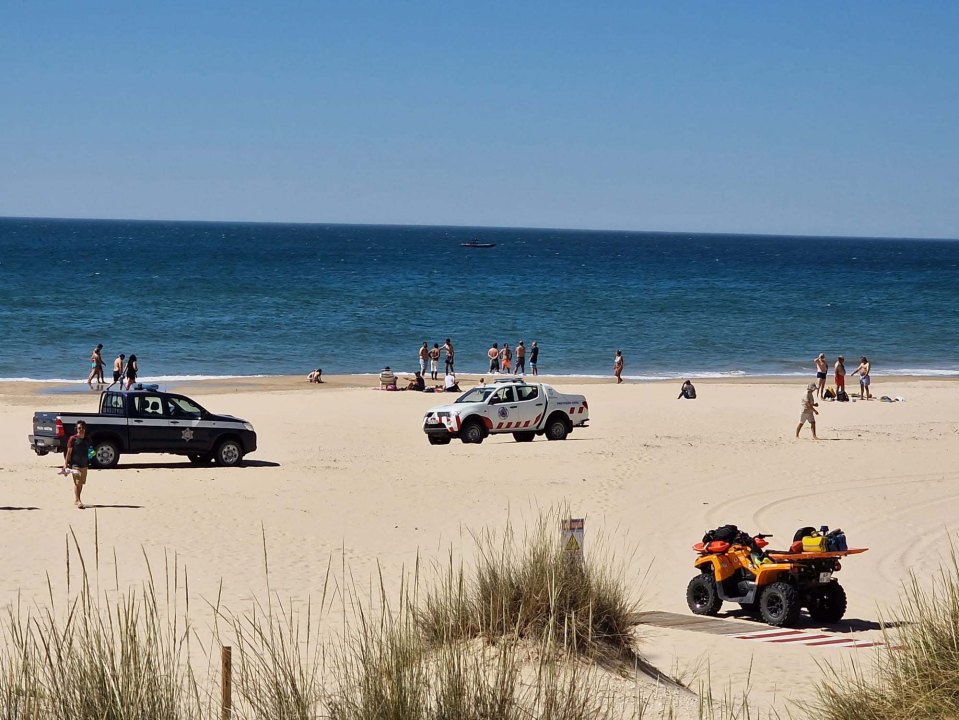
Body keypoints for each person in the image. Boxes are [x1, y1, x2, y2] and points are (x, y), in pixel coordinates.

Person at [62, 420, 92, 509]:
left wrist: (91, 458)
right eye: (79, 428)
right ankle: (78, 500)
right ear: (76, 429)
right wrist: (65, 464)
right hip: (75, 464)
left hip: (85, 464)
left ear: (85, 429)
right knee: (77, 482)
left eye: (83, 428)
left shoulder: (88, 439)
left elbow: (91, 451)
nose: (81, 429)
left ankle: (76, 499)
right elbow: (69, 452)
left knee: (81, 483)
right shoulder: (73, 439)